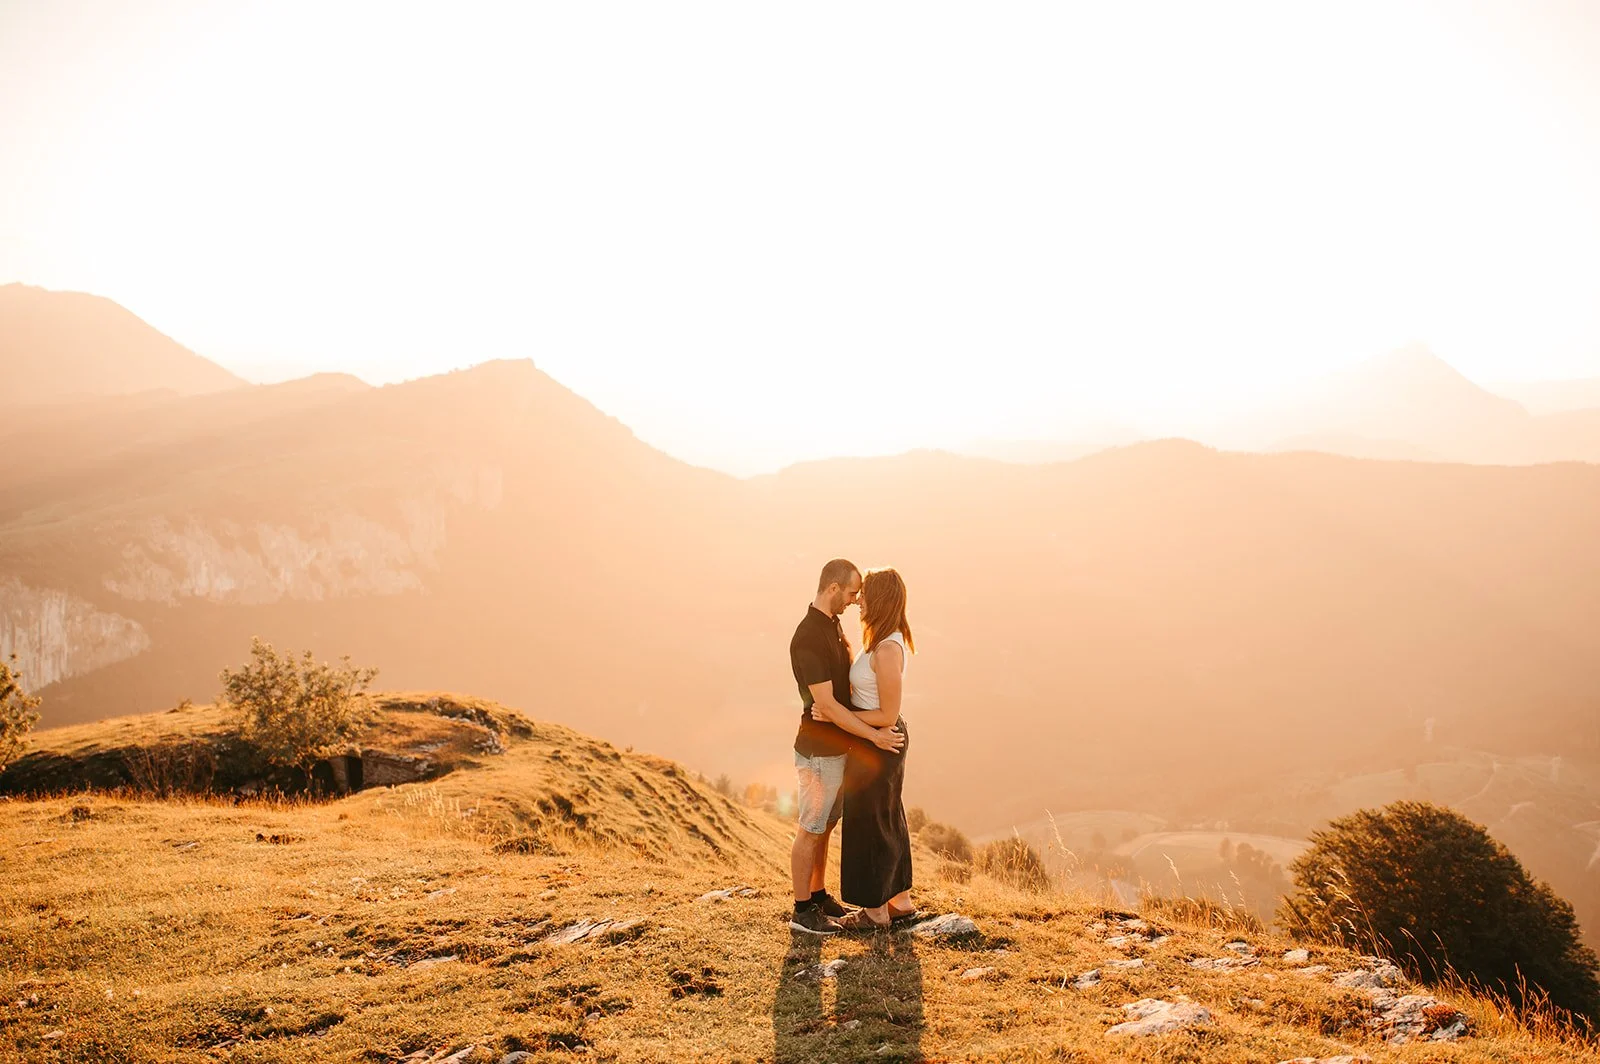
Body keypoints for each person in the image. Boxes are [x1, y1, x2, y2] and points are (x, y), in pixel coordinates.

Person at [788, 559, 906, 936]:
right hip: (819, 748)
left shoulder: (835, 626)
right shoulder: (809, 635)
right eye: (853, 593)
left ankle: (819, 895)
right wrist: (873, 734)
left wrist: (858, 724)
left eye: (863, 595)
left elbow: (850, 702)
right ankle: (803, 909)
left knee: (828, 825)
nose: (857, 601)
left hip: (843, 744)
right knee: (811, 827)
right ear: (833, 588)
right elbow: (826, 704)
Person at [825, 566, 919, 930]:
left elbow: (888, 713)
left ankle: (874, 912)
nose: (859, 600)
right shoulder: (879, 642)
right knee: (886, 815)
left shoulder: (887, 650)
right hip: (875, 740)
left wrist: (839, 714)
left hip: (881, 741)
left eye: (865, 594)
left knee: (869, 821)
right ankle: (899, 901)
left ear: (880, 600)